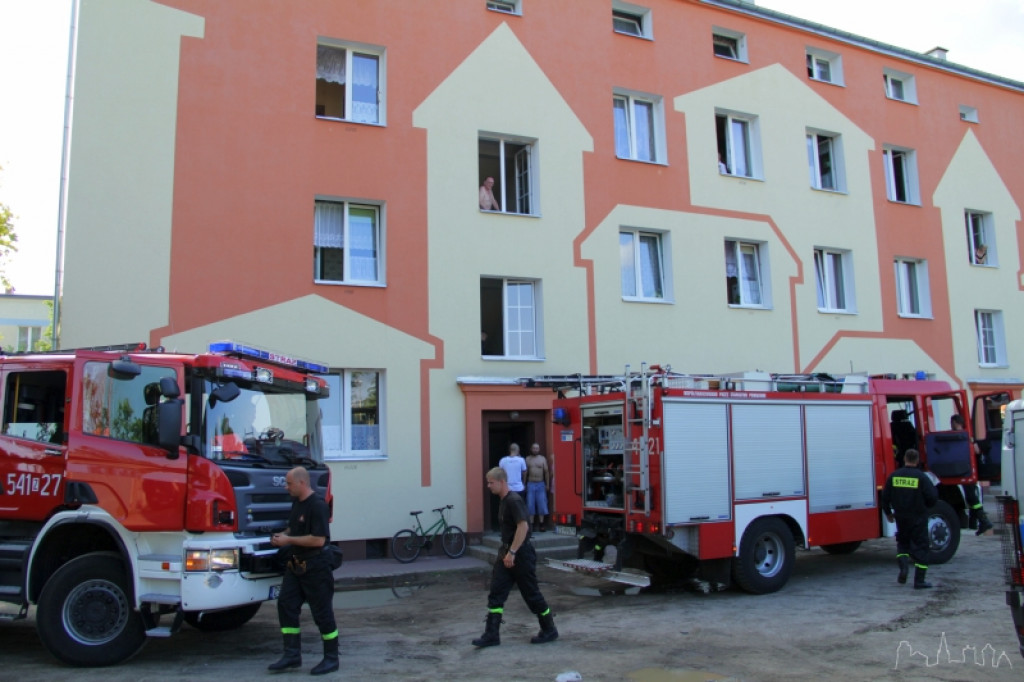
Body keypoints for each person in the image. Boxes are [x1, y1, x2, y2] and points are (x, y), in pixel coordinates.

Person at [472, 467, 558, 647]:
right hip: (506, 554)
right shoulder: (504, 501)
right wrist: (506, 553)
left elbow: (523, 527)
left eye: (491, 482)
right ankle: (491, 635)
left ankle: (549, 629)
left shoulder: (514, 500)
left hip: (520, 555)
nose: (488, 486)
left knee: (531, 594)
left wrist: (512, 552)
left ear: (502, 482)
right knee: (496, 592)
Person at [268, 467, 339, 675]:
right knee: (286, 604)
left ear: (301, 483)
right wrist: (283, 535)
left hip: (316, 567)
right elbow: (295, 528)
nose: (286, 487)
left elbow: (318, 539)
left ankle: (331, 658)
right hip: (296, 565)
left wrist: (288, 540)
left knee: (322, 612)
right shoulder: (297, 503)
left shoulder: (317, 506)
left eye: (289, 483)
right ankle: (292, 655)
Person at [880, 449, 938, 589]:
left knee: (902, 545)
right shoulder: (922, 478)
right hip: (918, 517)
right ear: (917, 460)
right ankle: (919, 581)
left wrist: (888, 513)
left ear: (904, 458)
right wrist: (926, 507)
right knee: (921, 548)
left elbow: (885, 497)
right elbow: (932, 498)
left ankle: (904, 568)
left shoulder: (894, 476)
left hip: (901, 517)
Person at [950, 414, 994, 535]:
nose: (951, 425)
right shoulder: (965, 435)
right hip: (965, 469)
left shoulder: (963, 436)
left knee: (971, 497)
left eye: (952, 422)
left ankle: (984, 521)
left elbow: (975, 451)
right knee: (971, 497)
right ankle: (975, 523)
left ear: (956, 422)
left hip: (966, 470)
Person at [525, 443, 550, 532]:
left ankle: (541, 524)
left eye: (537, 448)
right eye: (534, 448)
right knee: (530, 504)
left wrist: (547, 484)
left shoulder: (542, 459)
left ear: (539, 449)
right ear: (531, 449)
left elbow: (546, 472)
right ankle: (531, 525)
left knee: (541, 504)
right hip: (531, 483)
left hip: (540, 484)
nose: (535, 450)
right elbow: (525, 473)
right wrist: (524, 484)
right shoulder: (528, 459)